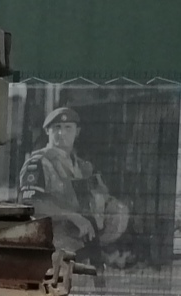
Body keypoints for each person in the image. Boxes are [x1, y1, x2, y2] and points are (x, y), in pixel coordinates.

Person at [18, 106, 129, 262]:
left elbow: (100, 199)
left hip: (85, 246)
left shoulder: (84, 167)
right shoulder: (38, 163)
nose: (62, 133)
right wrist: (71, 216)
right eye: (57, 127)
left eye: (68, 128)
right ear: (47, 131)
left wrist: (113, 210)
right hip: (51, 247)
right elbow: (30, 204)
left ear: (77, 132)